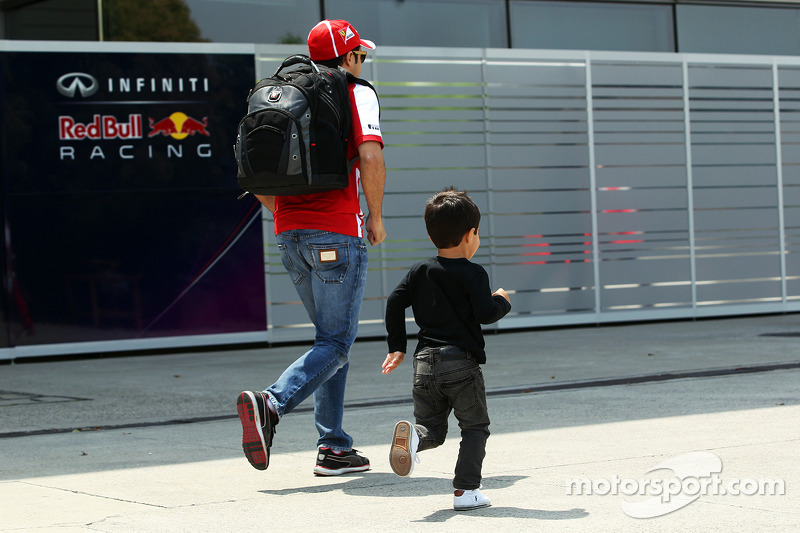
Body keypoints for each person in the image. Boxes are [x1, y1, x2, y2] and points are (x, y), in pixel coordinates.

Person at [237, 19, 386, 476]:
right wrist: (375, 216)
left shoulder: (279, 92)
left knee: (328, 340)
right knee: (338, 342)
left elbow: (250, 169)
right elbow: (371, 156)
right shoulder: (355, 90)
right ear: (349, 55)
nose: (363, 62)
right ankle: (271, 403)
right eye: (360, 54)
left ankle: (334, 447)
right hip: (337, 233)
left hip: (289, 235)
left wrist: (285, 216)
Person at [382, 187, 512, 510]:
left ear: (432, 235)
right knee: (475, 426)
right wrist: (502, 301)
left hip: (423, 364)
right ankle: (466, 492)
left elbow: (395, 302)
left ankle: (413, 437)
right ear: (471, 235)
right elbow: (485, 314)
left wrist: (397, 345)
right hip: (461, 365)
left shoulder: (420, 272)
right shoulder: (474, 274)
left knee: (433, 430)